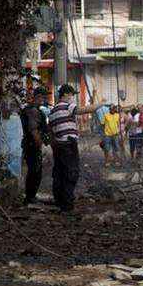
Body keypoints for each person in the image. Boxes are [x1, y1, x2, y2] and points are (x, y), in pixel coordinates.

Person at [48, 84, 101, 213]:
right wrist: (100, 104)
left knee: (59, 173)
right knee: (71, 173)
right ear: (66, 94)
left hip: (58, 145)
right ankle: (67, 205)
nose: (72, 98)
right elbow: (84, 110)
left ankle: (59, 202)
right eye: (72, 95)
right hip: (68, 145)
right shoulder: (67, 106)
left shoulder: (53, 111)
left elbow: (50, 132)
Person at [20, 87, 49, 204]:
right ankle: (30, 198)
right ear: (38, 97)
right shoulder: (33, 111)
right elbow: (33, 130)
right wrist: (40, 145)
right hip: (32, 145)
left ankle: (30, 197)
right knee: (35, 171)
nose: (45, 99)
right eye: (43, 96)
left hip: (30, 145)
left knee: (35, 171)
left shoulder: (33, 109)